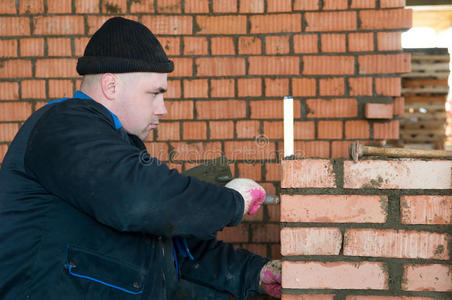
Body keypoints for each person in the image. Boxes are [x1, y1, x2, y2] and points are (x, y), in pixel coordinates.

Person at [0, 17, 281, 299]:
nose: (163, 109)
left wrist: (254, 273)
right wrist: (232, 201)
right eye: (155, 93)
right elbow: (140, 200)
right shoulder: (62, 126)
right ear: (111, 86)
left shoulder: (116, 149)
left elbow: (173, 248)